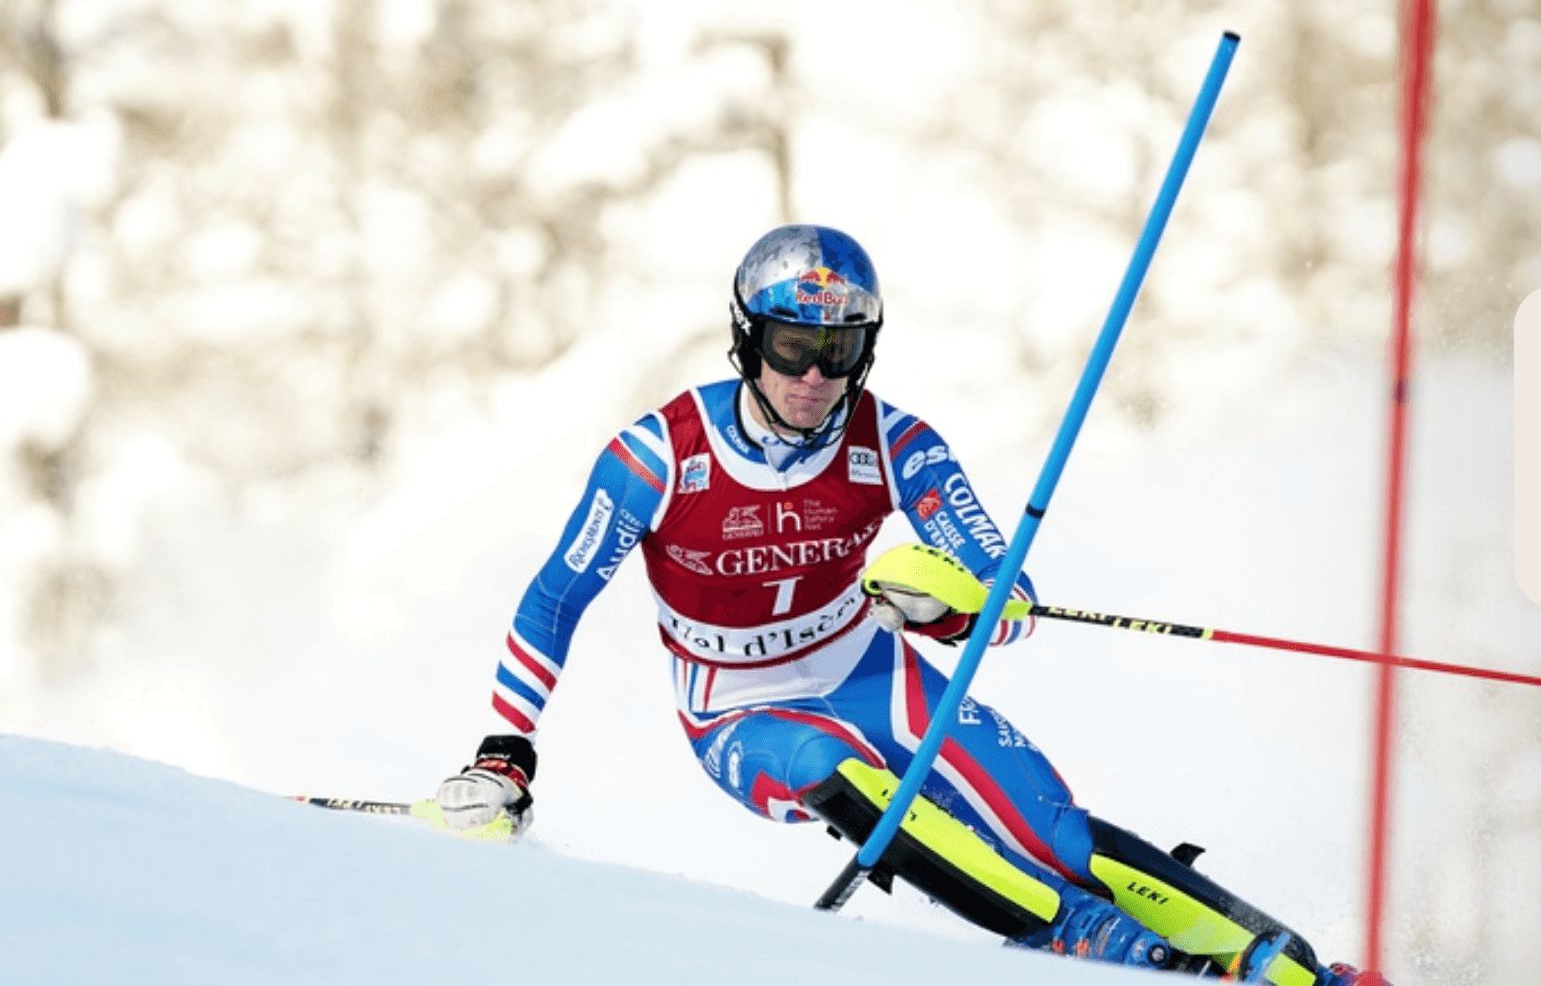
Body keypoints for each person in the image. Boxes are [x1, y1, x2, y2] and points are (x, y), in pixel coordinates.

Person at [434, 224, 1390, 985]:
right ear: (747, 338)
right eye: (792, 346)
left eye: (839, 350)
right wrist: (505, 750)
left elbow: (1004, 590)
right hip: (738, 711)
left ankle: (1288, 967)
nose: (814, 376)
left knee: (1053, 831)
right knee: (838, 772)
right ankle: (1081, 938)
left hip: (870, 672)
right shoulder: (657, 457)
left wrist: (950, 610)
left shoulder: (895, 442)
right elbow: (555, 599)